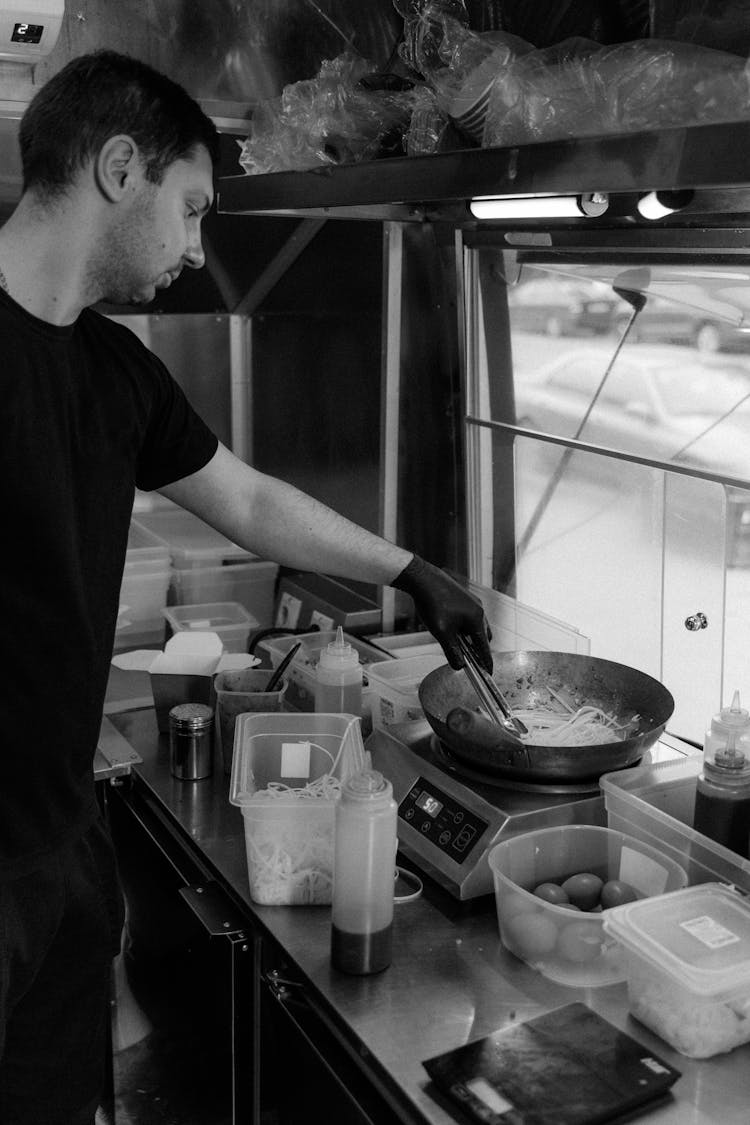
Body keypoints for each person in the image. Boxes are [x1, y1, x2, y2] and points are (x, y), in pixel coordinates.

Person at [0, 49, 491, 1125]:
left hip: (57, 846)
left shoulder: (113, 370)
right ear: (119, 167)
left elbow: (254, 503)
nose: (196, 246)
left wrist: (413, 570)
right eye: (192, 208)